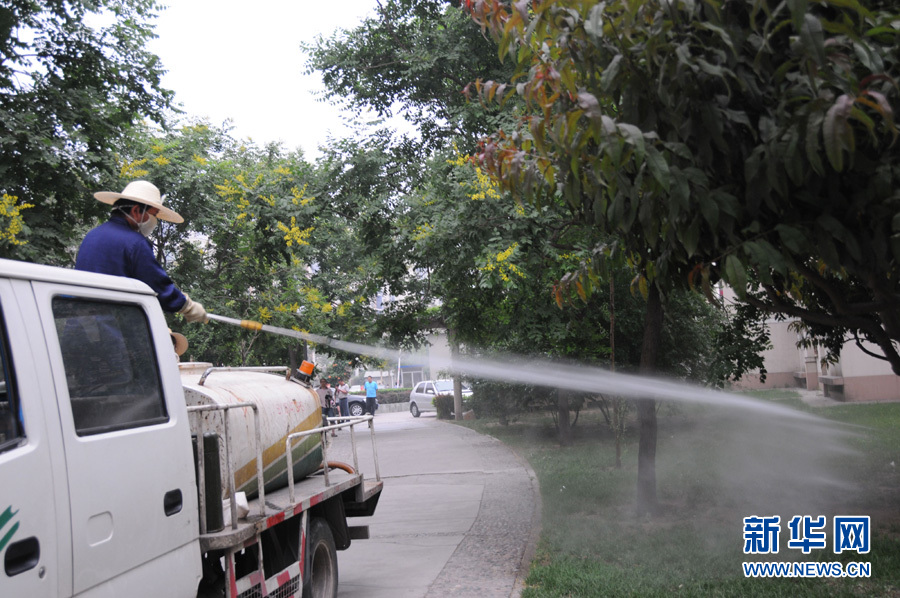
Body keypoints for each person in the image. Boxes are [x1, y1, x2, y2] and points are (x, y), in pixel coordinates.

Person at [75, 180, 207, 323]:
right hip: (109, 325)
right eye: (154, 215)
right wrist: (187, 306)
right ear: (136, 211)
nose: (155, 221)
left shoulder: (92, 236)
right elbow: (157, 286)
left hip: (79, 323)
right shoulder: (135, 243)